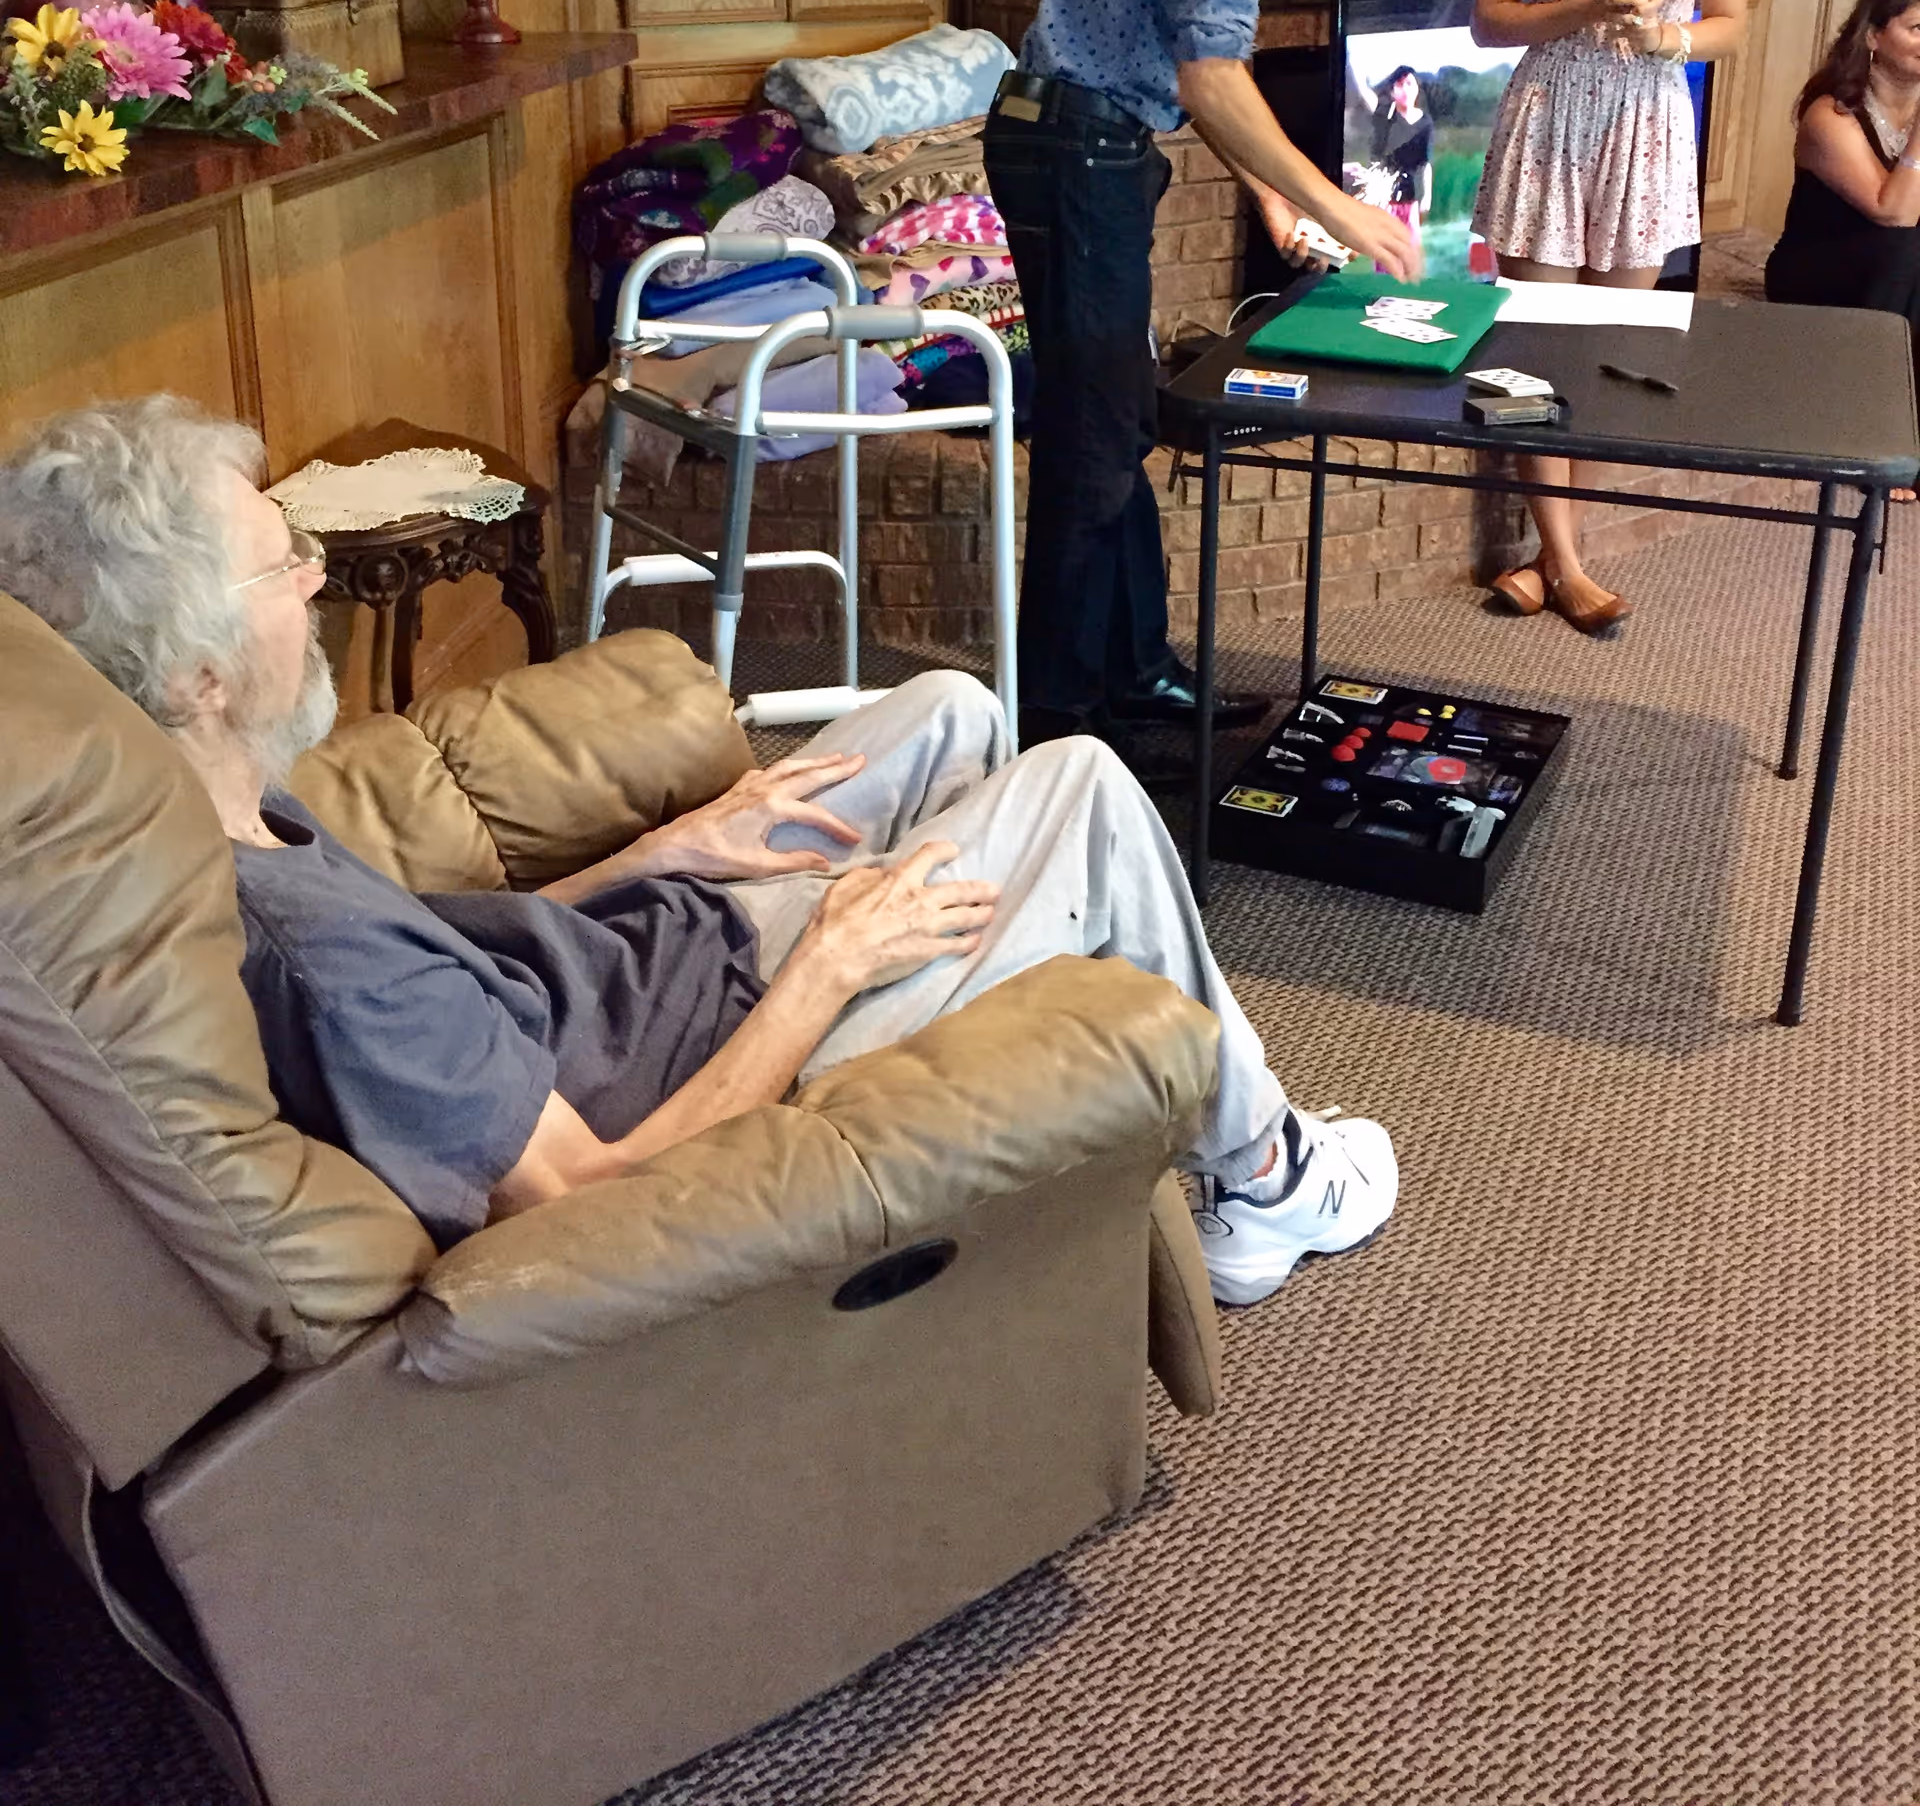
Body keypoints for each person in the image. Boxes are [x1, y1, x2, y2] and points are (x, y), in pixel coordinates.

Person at [0, 395, 1400, 1309]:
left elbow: (464, 968)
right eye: (277, 568)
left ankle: (1054, 1053)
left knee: (952, 711)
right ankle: (1267, 1181)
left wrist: (673, 847)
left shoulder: (244, 809)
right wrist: (833, 957)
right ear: (193, 674)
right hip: (742, 1048)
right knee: (1085, 790)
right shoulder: (315, 961)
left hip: (666, 960)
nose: (311, 575)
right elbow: (597, 1201)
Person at [988, 0, 1444, 749]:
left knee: (1118, 420)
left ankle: (1134, 672)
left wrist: (1265, 193)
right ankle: (1054, 734)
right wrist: (1339, 205)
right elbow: (1211, 74)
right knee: (1095, 449)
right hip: (1079, 147)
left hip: (1078, 136)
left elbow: (1188, 61)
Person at [1470, 0, 1753, 635]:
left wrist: (1661, 34)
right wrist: (1586, 5)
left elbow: (1728, 20)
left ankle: (1549, 557)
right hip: (1551, 115)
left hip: (1644, 124)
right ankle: (1570, 561)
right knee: (1539, 350)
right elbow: (1488, 20)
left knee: (1596, 359)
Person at [1766, 0, 1920, 499]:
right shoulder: (1830, 114)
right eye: (1919, 29)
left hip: (1895, 274)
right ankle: (1871, 436)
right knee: (1905, 245)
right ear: (1875, 35)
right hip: (1818, 274)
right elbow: (1892, 210)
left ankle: (1904, 439)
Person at [1372, 64, 1433, 241]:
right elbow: (1376, 159)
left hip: (1411, 199)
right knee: (1386, 250)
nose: (1405, 89)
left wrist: (1426, 197)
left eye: (1409, 83)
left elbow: (1425, 163)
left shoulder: (1425, 123)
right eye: (1399, 85)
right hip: (1386, 200)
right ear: (1392, 92)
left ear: (1416, 88)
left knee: (1410, 252)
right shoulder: (1385, 121)